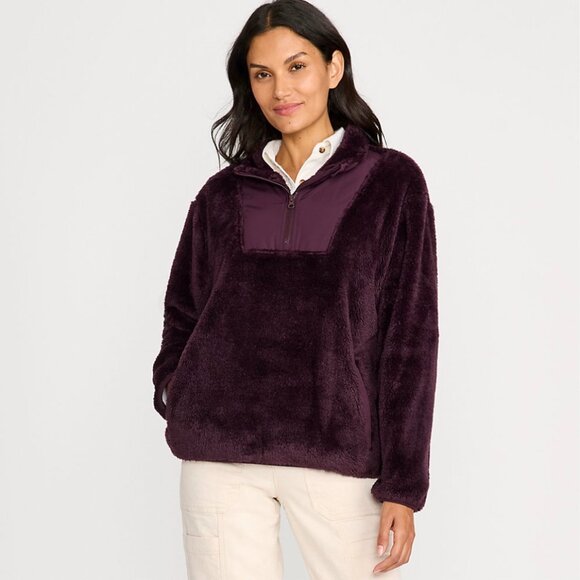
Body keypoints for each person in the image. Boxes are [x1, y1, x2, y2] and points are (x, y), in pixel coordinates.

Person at [152, 1, 439, 578]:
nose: (280, 89)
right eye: (262, 74)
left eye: (297, 66)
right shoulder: (222, 194)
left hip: (340, 455)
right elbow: (183, 311)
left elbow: (410, 338)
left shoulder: (391, 182)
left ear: (334, 68)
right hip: (220, 456)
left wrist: (404, 484)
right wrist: (176, 390)